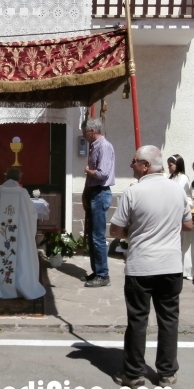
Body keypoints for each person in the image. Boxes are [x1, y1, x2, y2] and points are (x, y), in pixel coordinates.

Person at [109, 145, 192, 388]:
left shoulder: (134, 192)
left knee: (138, 320)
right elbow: (188, 224)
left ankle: (134, 373)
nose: (131, 165)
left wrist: (135, 232)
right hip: (170, 264)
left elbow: (115, 230)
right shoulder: (177, 191)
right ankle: (166, 372)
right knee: (168, 319)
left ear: (146, 165)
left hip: (142, 265)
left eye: (134, 161)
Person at [0, 167, 45, 300]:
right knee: (20, 254)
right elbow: (31, 213)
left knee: (3, 252)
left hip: (2, 233)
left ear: (6, 177)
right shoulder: (22, 192)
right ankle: (19, 285)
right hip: (19, 234)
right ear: (19, 178)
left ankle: (2, 285)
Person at [81, 118, 115, 287]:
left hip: (101, 192)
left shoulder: (104, 146)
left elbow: (102, 174)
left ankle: (103, 274)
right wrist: (85, 192)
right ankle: (97, 271)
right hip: (94, 192)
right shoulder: (94, 146)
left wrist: (88, 171)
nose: (83, 136)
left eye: (84, 133)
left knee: (98, 236)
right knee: (92, 236)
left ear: (92, 131)